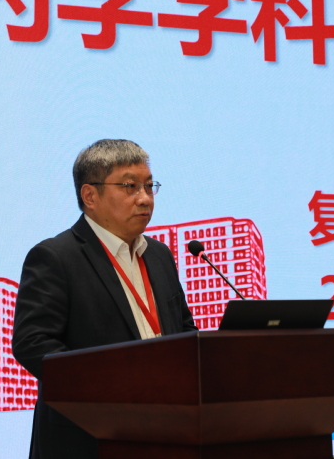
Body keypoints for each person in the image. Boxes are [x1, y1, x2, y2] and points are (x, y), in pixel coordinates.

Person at [12, 139, 197, 459]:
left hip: (165, 431)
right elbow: (33, 343)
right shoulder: (56, 257)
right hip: (88, 439)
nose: (145, 198)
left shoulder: (159, 255)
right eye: (130, 186)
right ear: (90, 196)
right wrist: (111, 389)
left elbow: (183, 330)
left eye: (149, 186)